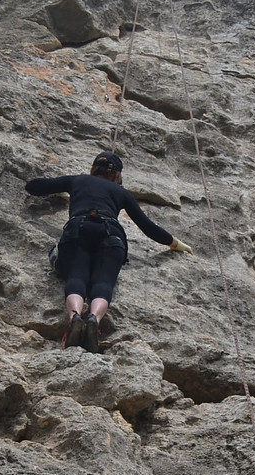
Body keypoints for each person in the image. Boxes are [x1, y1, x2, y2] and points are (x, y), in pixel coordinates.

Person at [26, 150, 192, 352]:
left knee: (76, 276)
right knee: (104, 282)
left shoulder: (78, 180)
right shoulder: (121, 192)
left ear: (93, 169)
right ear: (117, 176)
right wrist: (175, 243)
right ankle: (94, 319)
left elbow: (35, 186)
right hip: (111, 236)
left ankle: (75, 316)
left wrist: (59, 190)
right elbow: (147, 226)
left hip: (78, 229)